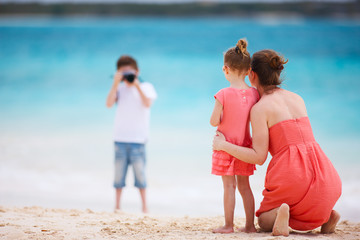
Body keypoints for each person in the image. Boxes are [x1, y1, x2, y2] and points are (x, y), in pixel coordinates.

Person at [213, 49, 342, 236]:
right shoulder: (297, 98)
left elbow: (258, 157)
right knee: (305, 199)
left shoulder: (260, 108)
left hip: (294, 174)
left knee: (264, 220)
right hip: (326, 174)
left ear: (252, 74)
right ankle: (327, 217)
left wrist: (223, 145)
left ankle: (282, 218)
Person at [210, 39, 259, 233]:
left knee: (228, 187)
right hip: (245, 147)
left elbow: (214, 121)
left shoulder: (222, 94)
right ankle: (249, 226)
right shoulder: (254, 94)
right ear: (249, 71)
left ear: (225, 69)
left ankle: (228, 225)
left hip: (225, 146)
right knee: (245, 187)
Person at [106, 55, 157, 213]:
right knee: (118, 176)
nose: (127, 76)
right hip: (120, 138)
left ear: (137, 71)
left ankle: (144, 207)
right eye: (123, 73)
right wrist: (115, 84)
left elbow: (147, 103)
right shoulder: (119, 88)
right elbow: (108, 104)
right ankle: (117, 206)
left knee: (140, 175)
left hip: (138, 139)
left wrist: (136, 85)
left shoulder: (146, 86)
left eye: (130, 72)